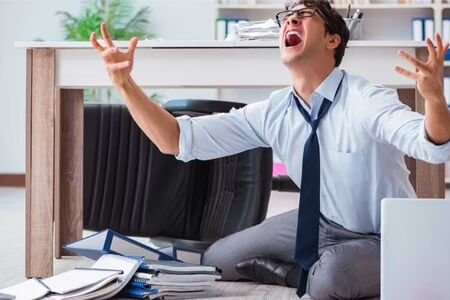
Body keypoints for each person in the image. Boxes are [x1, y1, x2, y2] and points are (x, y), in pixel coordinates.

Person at [90, 0, 450, 298]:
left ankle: (303, 272)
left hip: (378, 234)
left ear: (332, 41)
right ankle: (308, 264)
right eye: (286, 15)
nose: (291, 18)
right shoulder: (275, 110)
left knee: (330, 280)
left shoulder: (366, 99)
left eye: (305, 14)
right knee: (217, 259)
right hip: (320, 223)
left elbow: (431, 147)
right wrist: (125, 84)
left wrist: (434, 99)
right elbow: (178, 140)